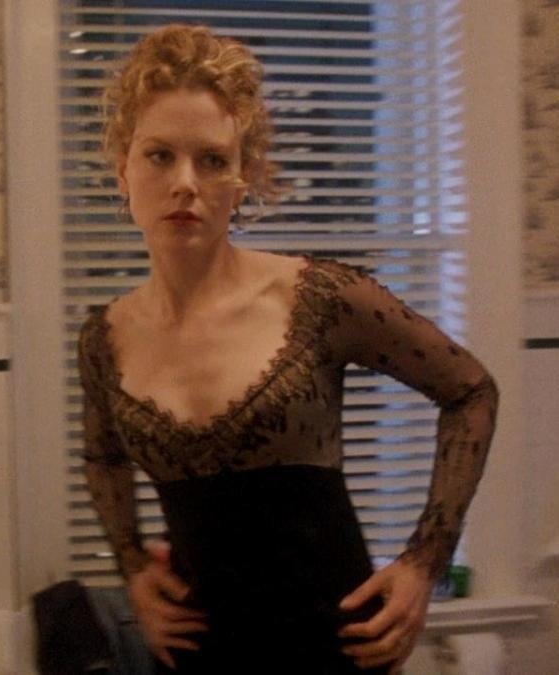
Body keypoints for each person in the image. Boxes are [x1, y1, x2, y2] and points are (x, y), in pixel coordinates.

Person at [78, 24, 499, 674]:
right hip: (193, 653)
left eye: (212, 160)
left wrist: (424, 562)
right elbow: (103, 455)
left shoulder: (320, 298)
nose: (185, 182)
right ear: (122, 172)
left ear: (241, 179)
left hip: (333, 646)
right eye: (159, 155)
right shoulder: (104, 338)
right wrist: (133, 564)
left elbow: (470, 391)